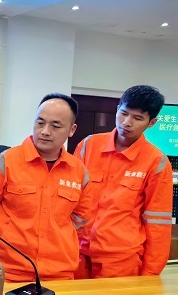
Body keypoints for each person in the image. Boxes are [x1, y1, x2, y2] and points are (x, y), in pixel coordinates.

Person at [0, 93, 93, 282]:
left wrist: (57, 234)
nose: (45, 131)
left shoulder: (78, 171)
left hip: (60, 271)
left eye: (55, 126)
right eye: (40, 123)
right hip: (10, 270)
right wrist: (7, 232)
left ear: (72, 130)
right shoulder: (4, 163)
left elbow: (81, 217)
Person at [74, 85, 173, 278]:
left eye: (138, 118)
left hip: (120, 261)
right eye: (124, 113)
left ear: (151, 123)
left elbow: (158, 223)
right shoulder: (88, 145)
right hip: (76, 253)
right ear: (117, 108)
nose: (127, 123)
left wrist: (150, 274)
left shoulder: (156, 162)